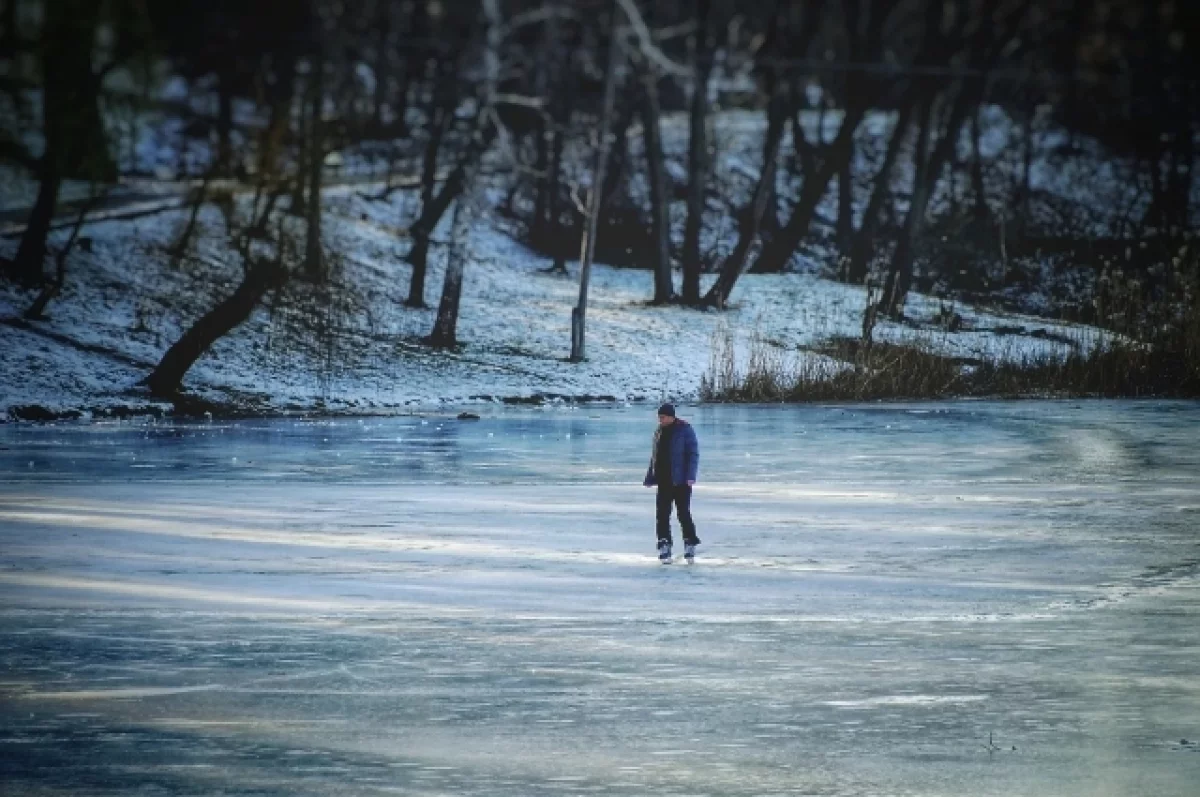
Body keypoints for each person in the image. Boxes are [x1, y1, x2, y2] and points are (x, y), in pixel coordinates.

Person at [643, 403, 700, 562]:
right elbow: (655, 456)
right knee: (662, 514)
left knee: (683, 513)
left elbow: (693, 454)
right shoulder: (659, 432)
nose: (660, 420)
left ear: (671, 417)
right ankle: (664, 544)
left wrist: (690, 476)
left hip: (681, 481)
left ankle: (690, 542)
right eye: (659, 417)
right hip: (663, 480)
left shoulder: (685, 430)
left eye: (663, 417)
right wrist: (650, 477)